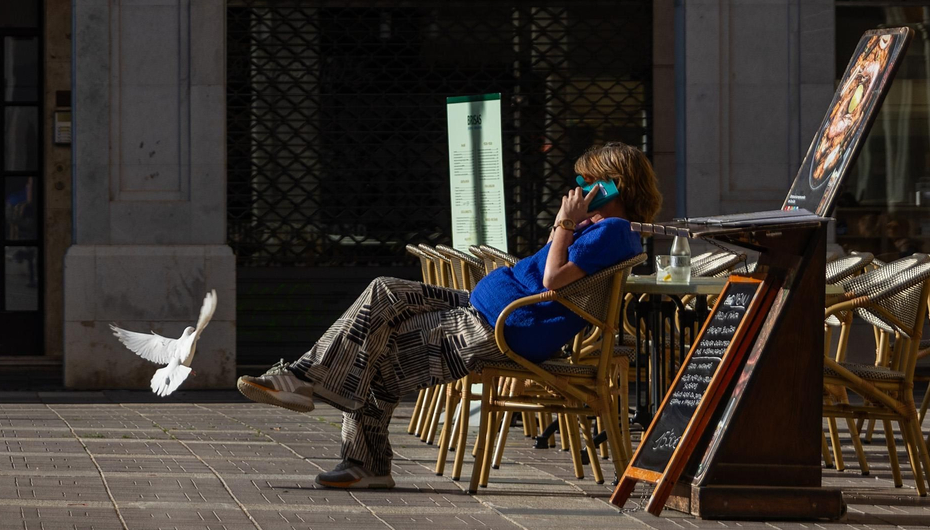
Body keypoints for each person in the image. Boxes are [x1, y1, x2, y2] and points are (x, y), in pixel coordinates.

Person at [237, 141, 658, 490]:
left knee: (378, 355)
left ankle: (347, 440)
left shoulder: (613, 230)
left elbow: (553, 279)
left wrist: (565, 224)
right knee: (384, 291)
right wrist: (568, 226)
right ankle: (313, 392)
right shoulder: (599, 228)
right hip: (483, 308)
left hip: (500, 327)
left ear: (611, 185)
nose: (577, 188)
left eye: (586, 181)